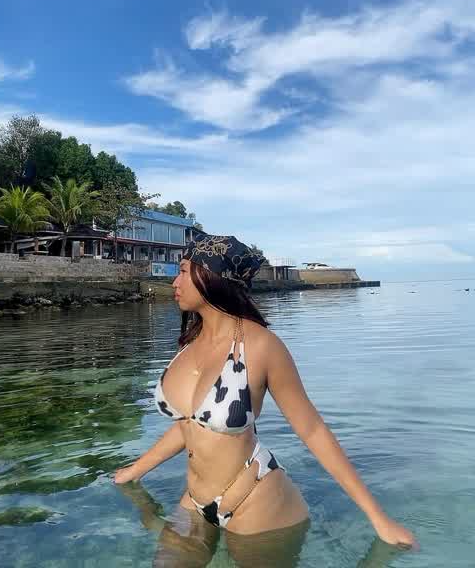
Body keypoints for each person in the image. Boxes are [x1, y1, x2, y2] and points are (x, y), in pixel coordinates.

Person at [114, 234, 417, 554]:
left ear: (211, 276)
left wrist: (378, 518)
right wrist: (136, 470)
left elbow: (312, 430)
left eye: (184, 271)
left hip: (256, 503)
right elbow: (189, 425)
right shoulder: (190, 343)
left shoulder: (261, 346)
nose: (175, 282)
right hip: (194, 500)